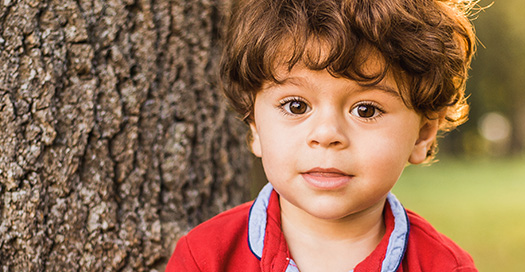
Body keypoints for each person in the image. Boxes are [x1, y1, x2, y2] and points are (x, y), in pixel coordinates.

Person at [168, 0, 477, 271]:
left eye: (366, 110)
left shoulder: (446, 267)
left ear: (423, 134)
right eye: (296, 105)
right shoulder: (205, 258)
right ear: (254, 126)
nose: (327, 134)